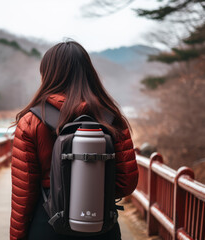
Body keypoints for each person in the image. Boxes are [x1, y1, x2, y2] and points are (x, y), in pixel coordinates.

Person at [10, 41, 138, 240]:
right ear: (89, 72)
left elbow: (23, 195)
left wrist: (17, 236)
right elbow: (126, 183)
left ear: (48, 74)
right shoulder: (111, 119)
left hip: (48, 226)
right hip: (101, 226)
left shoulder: (31, 121)